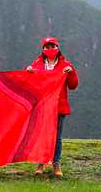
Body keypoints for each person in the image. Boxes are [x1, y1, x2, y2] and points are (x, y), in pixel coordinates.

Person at [26, 37, 78, 177]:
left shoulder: (65, 65)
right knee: (42, 134)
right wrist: (28, 73)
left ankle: (56, 163)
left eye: (52, 46)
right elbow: (30, 86)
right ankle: (41, 162)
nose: (50, 49)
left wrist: (71, 72)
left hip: (58, 107)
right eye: (47, 47)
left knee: (57, 137)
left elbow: (73, 85)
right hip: (42, 106)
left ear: (57, 48)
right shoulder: (37, 65)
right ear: (43, 49)